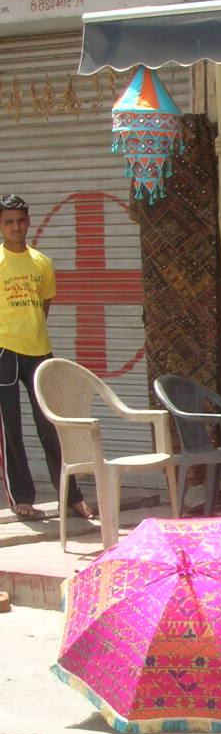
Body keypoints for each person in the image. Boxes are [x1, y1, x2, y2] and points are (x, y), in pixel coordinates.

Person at [0, 194, 94, 522]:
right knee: (10, 427)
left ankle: (70, 496)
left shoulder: (41, 262)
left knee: (51, 425)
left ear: (28, 221)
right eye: (8, 221)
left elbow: (44, 306)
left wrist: (32, 333)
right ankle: (22, 497)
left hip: (39, 351)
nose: (15, 227)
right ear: (1, 225)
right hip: (4, 352)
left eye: (20, 220)